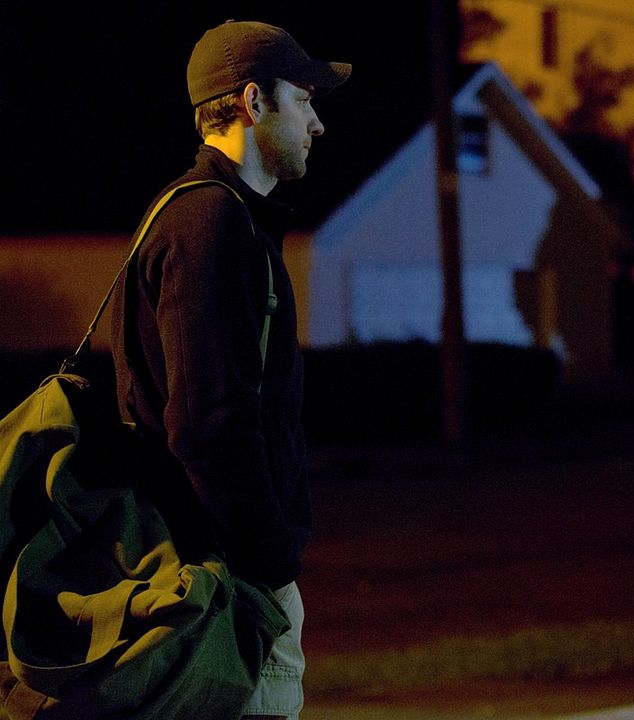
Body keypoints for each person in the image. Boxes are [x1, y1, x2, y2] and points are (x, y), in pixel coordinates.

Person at [110, 20, 350, 720]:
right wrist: (269, 567)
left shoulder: (217, 220)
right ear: (253, 101)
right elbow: (209, 425)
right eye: (304, 100)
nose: (317, 124)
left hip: (217, 572)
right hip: (224, 582)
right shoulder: (209, 226)